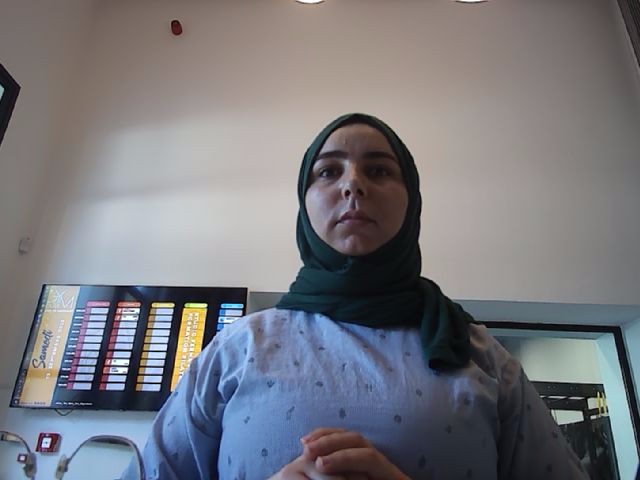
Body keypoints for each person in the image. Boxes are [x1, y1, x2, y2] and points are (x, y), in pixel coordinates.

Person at [126, 113, 589, 479]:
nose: (353, 184)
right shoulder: (237, 349)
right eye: (328, 171)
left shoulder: (482, 356)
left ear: (412, 202)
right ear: (304, 205)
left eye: (379, 170)